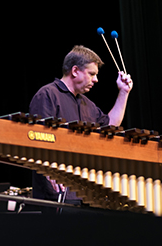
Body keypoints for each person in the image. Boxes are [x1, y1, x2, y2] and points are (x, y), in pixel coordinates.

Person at [29, 45, 133, 203]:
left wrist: (124, 93)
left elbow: (110, 126)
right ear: (75, 70)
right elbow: (37, 136)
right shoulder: (48, 95)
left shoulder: (87, 104)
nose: (96, 80)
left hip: (84, 192)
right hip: (56, 193)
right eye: (92, 74)